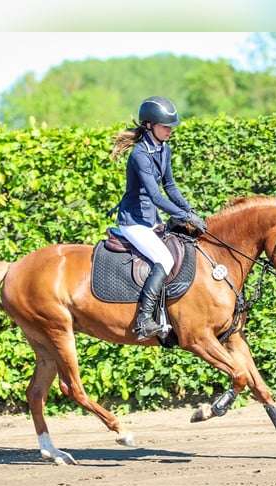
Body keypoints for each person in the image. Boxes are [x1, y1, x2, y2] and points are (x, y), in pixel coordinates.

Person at [110, 96, 207, 341]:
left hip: (150, 219)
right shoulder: (139, 154)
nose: (170, 130)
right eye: (166, 126)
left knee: (181, 249)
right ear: (150, 125)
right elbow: (155, 195)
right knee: (163, 258)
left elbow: (170, 186)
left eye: (171, 126)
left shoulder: (164, 149)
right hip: (133, 221)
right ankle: (144, 320)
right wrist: (182, 215)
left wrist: (190, 210)